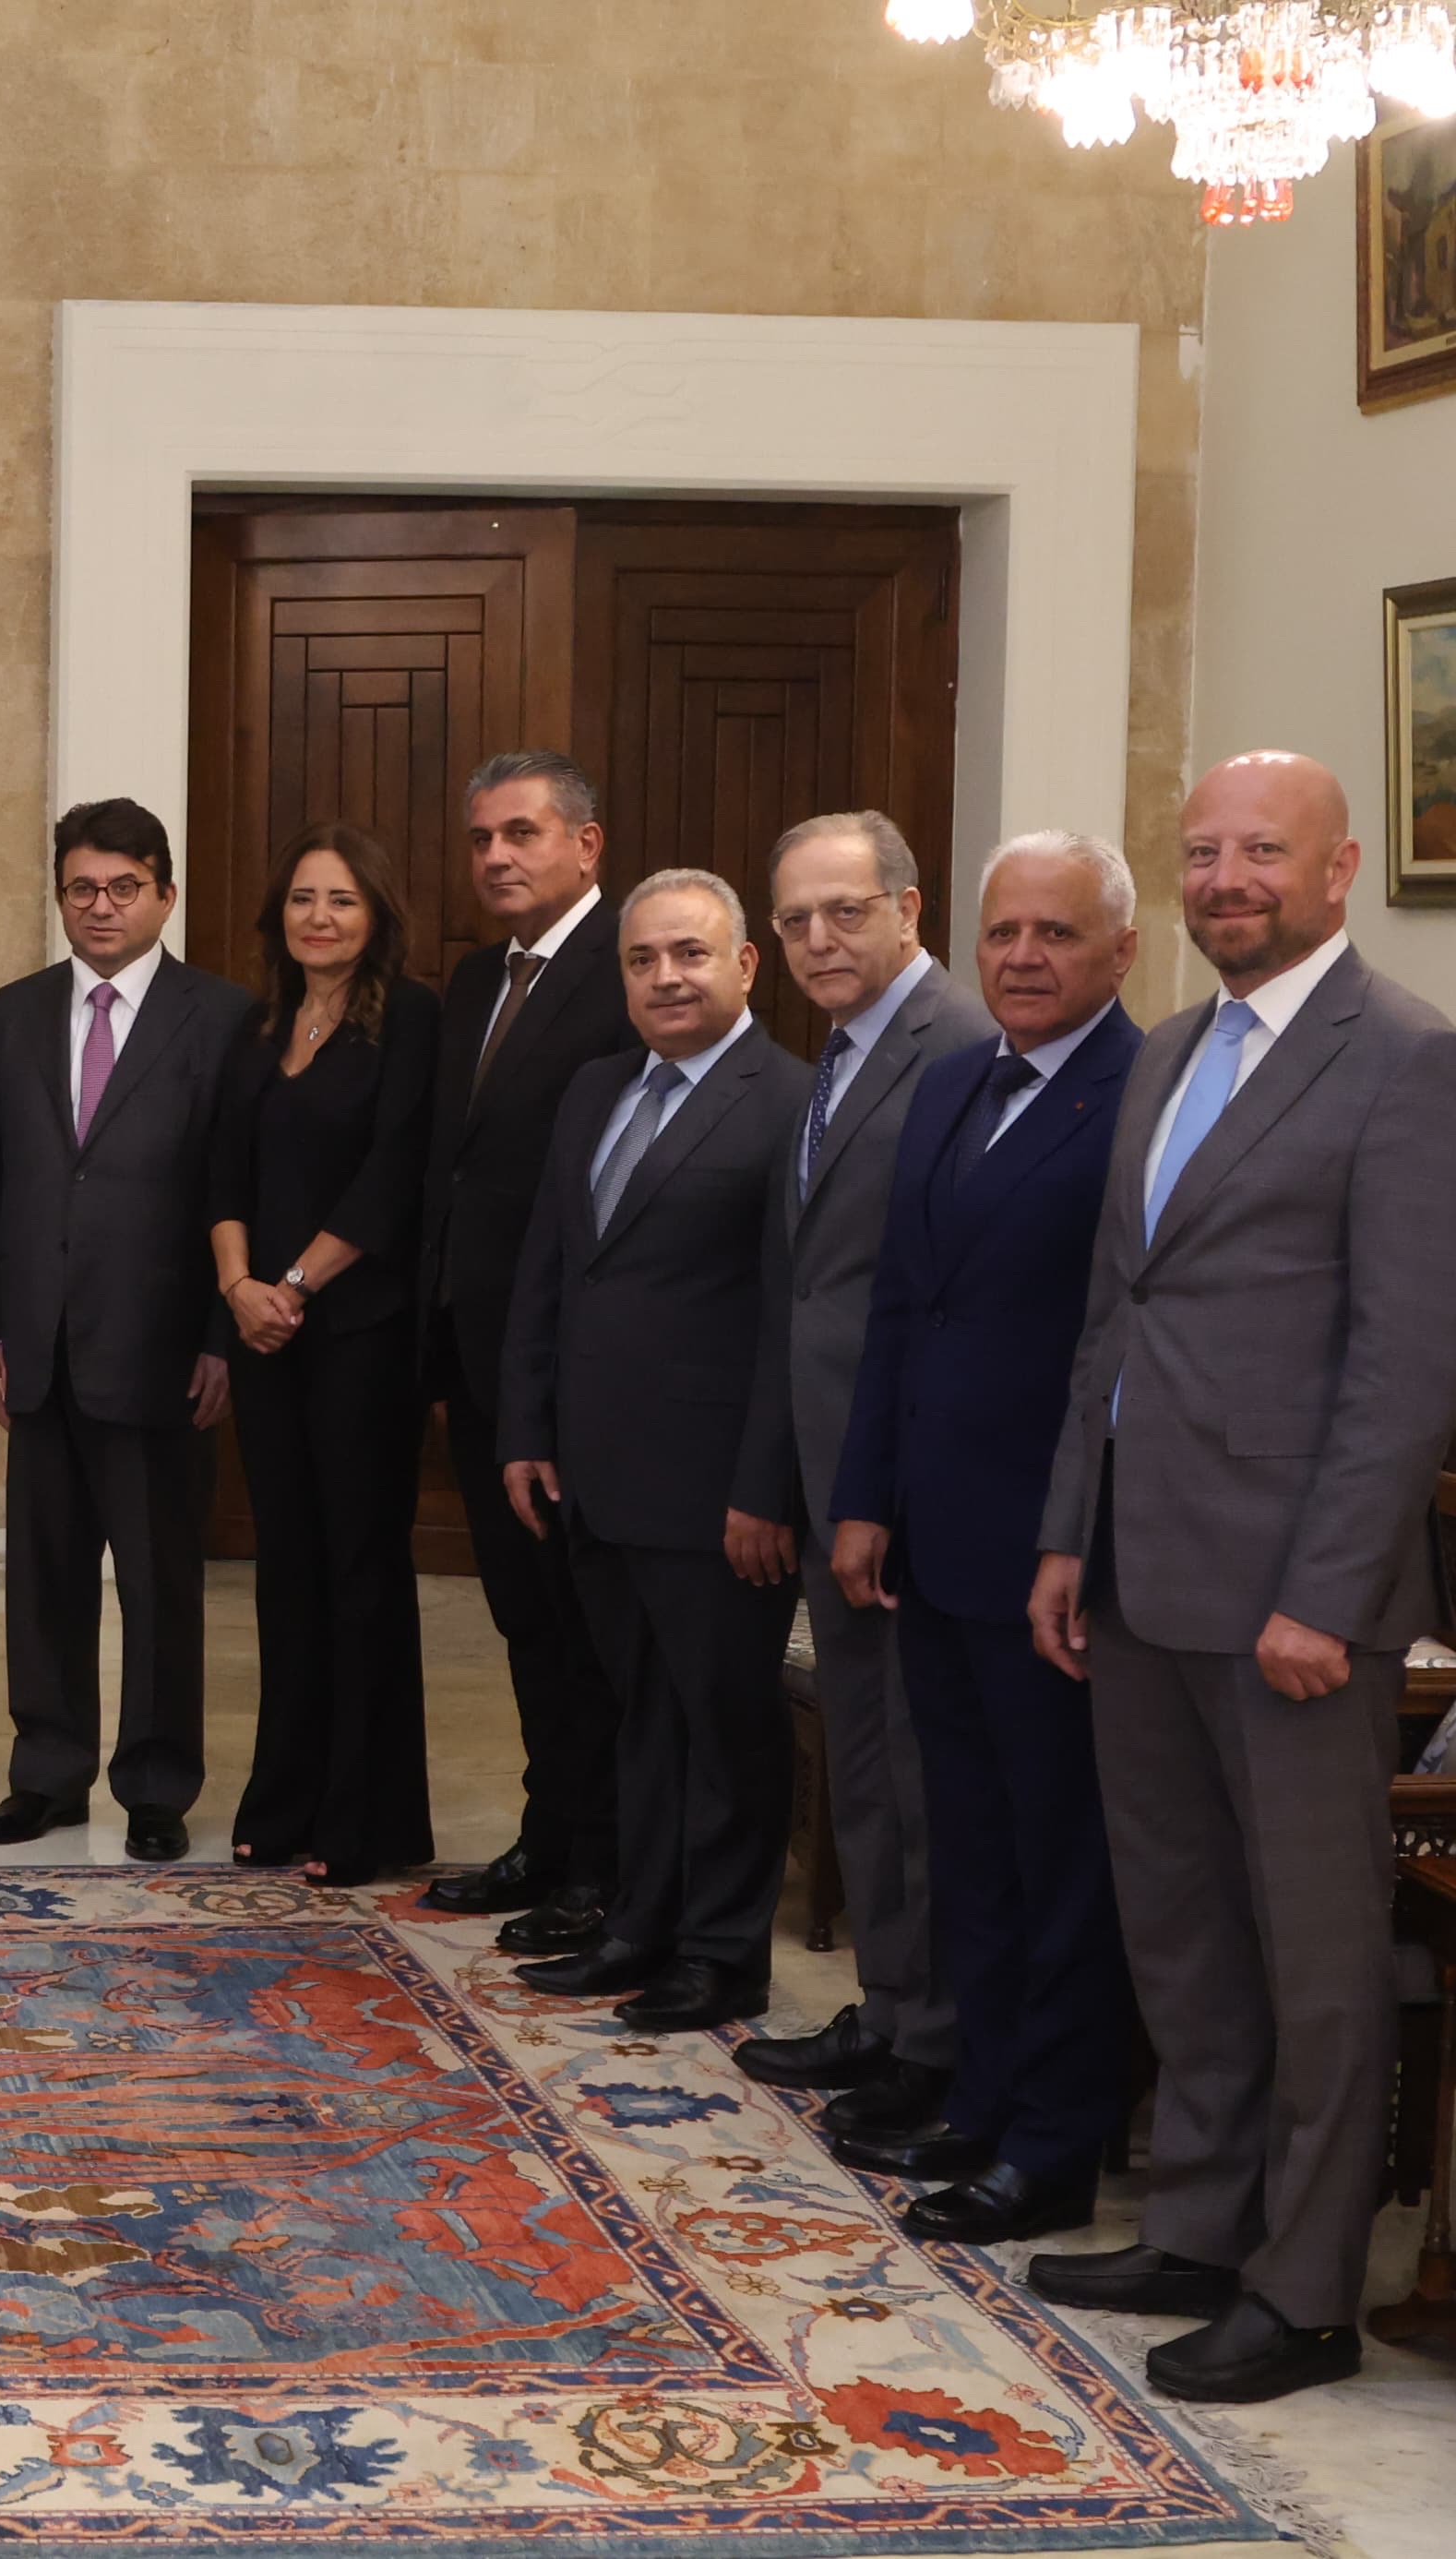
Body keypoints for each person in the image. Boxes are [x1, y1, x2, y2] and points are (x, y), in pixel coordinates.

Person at [1023, 751, 1456, 2404]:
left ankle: (1306, 2284)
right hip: (1140, 1571)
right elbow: (1113, 1317)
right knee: (1184, 1928)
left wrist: (1328, 1594)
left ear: (1338, 870)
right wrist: (1070, 1531)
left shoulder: (1407, 1058)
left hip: (1293, 1602)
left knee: (1316, 1955)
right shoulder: (1170, 1049)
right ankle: (1200, 2225)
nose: (1225, 879)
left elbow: (1406, 1365)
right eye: (1202, 851)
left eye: (1262, 850)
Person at [828, 831, 1143, 2249]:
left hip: (1053, 1553)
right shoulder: (958, 1082)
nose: (1021, 956)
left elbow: (1110, 1342)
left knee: (1056, 1853)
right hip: (933, 1534)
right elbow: (902, 1305)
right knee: (970, 1842)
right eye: (1003, 930)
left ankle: (1054, 2142)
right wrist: (865, 1494)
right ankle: (985, 2096)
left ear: (1120, 951)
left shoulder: (1140, 1093)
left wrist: (1072, 1531)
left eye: (1054, 933)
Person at [500, 869, 812, 2035]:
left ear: (744, 965)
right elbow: (549, 1266)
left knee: (723, 1723)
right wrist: (525, 1426)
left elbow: (789, 1316)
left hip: (717, 1491)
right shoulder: (593, 1088)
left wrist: (763, 1485)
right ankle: (638, 1925)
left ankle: (720, 1955)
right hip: (593, 1475)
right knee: (637, 1714)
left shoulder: (789, 1102)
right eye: (641, 959)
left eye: (688, 953)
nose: (664, 977)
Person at [728, 812, 989, 2133]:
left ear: (907, 908)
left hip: (908, 1487)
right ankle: (890, 2008)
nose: (818, 938)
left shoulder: (961, 1046)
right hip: (833, 1470)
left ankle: (934, 2040)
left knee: (923, 1773)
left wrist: (876, 1486)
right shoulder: (834, 1052)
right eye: (794, 920)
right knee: (871, 1763)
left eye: (845, 911)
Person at [0, 796, 253, 1860]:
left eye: (123, 887)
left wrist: (219, 1338)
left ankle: (157, 1783)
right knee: (43, 1579)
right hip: (36, 1349)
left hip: (163, 1353)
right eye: (80, 887)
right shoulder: (10, 1014)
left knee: (159, 1582)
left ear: (163, 895)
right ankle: (46, 1773)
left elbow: (236, 1187)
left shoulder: (222, 1017)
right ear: (58, 895)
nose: (99, 906)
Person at [417, 752, 641, 1946]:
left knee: (585, 1627)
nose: (496, 856)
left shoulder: (627, 968)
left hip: (575, 1365)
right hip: (479, 1358)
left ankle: (601, 1865)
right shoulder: (473, 980)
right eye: (481, 838)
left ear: (584, 845)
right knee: (521, 1618)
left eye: (521, 833)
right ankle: (547, 1834)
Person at [207, 821, 438, 1887]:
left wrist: (294, 1285)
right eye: (302, 897)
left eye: (340, 899)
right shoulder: (257, 1026)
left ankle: (365, 1816)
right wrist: (237, 1287)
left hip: (358, 1335)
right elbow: (220, 1173)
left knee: (357, 1567)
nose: (318, 917)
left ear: (375, 915)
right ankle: (283, 1798)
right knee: (286, 1567)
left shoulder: (411, 1020)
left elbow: (391, 1177)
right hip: (263, 1334)